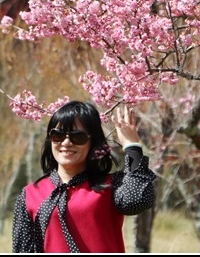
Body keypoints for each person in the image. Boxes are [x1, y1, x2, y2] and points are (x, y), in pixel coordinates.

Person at [12, 100, 156, 253]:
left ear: (92, 142)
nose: (66, 143)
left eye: (78, 137)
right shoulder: (29, 195)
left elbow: (137, 200)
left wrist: (132, 146)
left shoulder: (110, 185)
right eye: (58, 135)